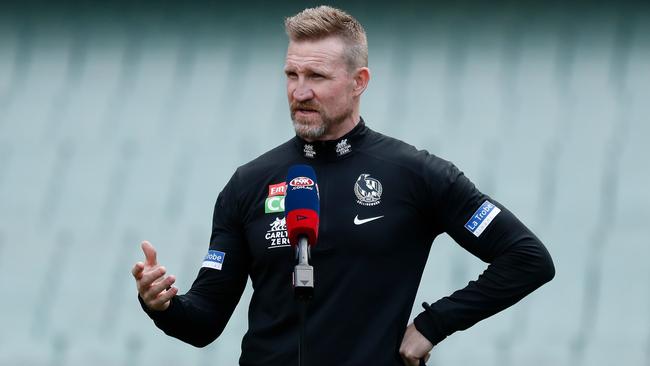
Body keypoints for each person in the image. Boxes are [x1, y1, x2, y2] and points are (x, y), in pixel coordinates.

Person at [131, 6, 555, 366]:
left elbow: (527, 258)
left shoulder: (416, 174)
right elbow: (204, 321)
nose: (300, 91)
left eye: (317, 76)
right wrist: (162, 305)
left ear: (359, 82)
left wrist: (433, 324)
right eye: (291, 74)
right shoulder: (248, 183)